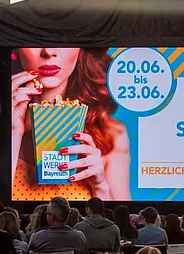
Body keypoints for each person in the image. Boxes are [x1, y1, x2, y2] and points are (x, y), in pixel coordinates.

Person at [11, 47, 131, 200]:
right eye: (35, 41)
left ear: (80, 50)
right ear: (17, 49)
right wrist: (14, 133)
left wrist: (100, 186)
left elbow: (120, 219)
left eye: (62, 42)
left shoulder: (110, 133)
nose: (48, 52)